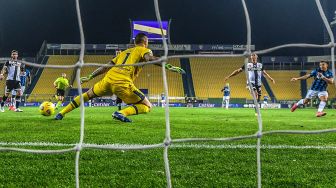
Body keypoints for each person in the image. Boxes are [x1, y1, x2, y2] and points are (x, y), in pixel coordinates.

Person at [55, 33, 185, 122]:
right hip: (122, 82)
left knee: (87, 95)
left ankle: (61, 113)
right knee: (147, 106)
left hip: (108, 80)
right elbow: (149, 58)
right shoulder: (143, 50)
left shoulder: (123, 53)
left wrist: (90, 76)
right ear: (145, 42)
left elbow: (106, 66)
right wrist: (167, 65)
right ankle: (121, 113)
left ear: (135, 42)